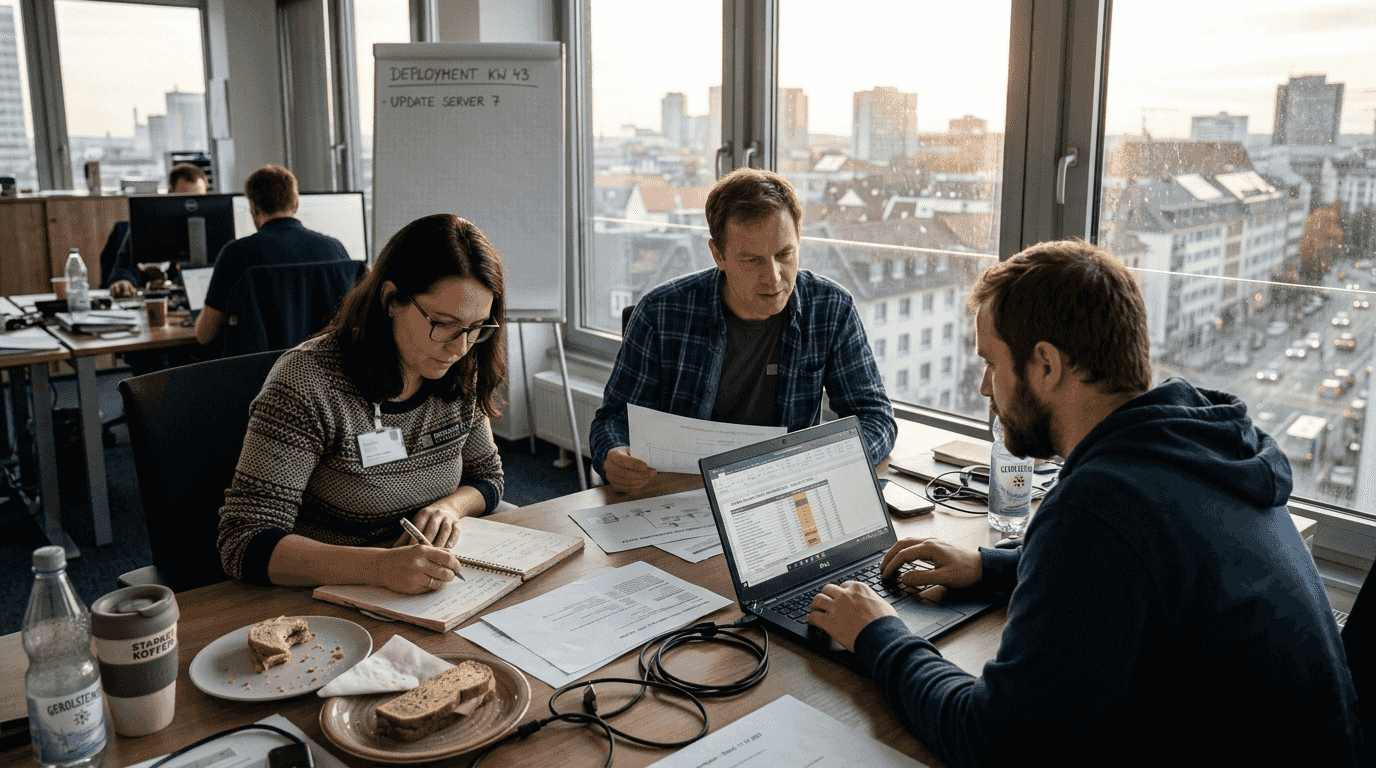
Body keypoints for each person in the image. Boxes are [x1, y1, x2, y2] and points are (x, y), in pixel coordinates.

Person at [806, 239, 1363, 766]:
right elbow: (1148, 568)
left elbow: (994, 744)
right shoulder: (1199, 449)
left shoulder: (1097, 509)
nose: (984, 388)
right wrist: (988, 565)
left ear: (1045, 365)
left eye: (991, 363)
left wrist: (878, 632)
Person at [216, 213, 507, 593]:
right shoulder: (308, 382)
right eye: (444, 323)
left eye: (475, 328)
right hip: (330, 587)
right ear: (391, 299)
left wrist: (451, 507)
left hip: (422, 579)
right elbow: (244, 540)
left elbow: (488, 476)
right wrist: (379, 567)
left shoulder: (462, 367)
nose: (459, 347)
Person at [588, 167, 895, 493]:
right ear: (718, 254)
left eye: (784, 254)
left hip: (784, 491)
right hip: (682, 493)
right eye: (752, 260)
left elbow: (875, 416)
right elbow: (612, 420)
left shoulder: (831, 308)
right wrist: (612, 455)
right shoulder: (660, 313)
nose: (774, 277)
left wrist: (825, 463)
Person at [195, 164, 350, 346]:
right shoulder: (335, 249)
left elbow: (205, 335)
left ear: (252, 206)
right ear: (295, 202)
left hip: (263, 372)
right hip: (323, 369)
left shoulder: (236, 253)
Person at [105, 162, 209, 298]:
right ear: (169, 193)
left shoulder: (212, 228)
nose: (189, 208)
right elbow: (123, 265)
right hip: (155, 301)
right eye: (183, 199)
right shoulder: (147, 222)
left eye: (197, 200)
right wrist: (123, 281)